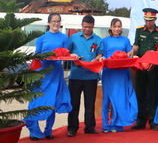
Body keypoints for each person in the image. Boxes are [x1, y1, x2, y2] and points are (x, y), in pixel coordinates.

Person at [24, 13, 72, 141]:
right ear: (48, 23)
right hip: (42, 73)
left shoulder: (64, 37)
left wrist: (72, 56)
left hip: (56, 73)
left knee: (52, 102)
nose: (56, 23)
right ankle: (34, 131)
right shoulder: (41, 38)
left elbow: (65, 54)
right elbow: (37, 56)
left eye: (58, 21)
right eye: (54, 21)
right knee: (36, 102)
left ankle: (48, 130)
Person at [129, 8, 158, 130]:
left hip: (154, 67)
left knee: (153, 94)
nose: (148, 22)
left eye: (151, 20)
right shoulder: (139, 30)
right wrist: (132, 51)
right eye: (146, 20)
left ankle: (153, 121)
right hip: (141, 66)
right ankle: (140, 121)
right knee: (140, 93)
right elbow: (136, 45)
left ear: (155, 19)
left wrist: (155, 62)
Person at [67, 14, 103, 137]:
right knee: (74, 103)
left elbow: (100, 54)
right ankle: (72, 128)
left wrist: (96, 59)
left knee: (90, 104)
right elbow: (66, 53)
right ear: (81, 25)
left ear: (93, 26)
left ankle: (90, 127)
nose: (87, 29)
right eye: (85, 26)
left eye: (90, 27)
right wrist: (72, 56)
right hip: (75, 75)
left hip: (91, 76)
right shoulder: (73, 38)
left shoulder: (98, 39)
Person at [99, 18, 137, 133]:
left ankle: (117, 124)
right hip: (109, 72)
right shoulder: (104, 40)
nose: (117, 29)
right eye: (115, 26)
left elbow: (128, 55)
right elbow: (102, 55)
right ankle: (105, 125)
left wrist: (132, 55)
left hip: (122, 73)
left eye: (119, 26)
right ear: (111, 27)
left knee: (120, 98)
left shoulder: (125, 40)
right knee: (107, 99)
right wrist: (102, 58)